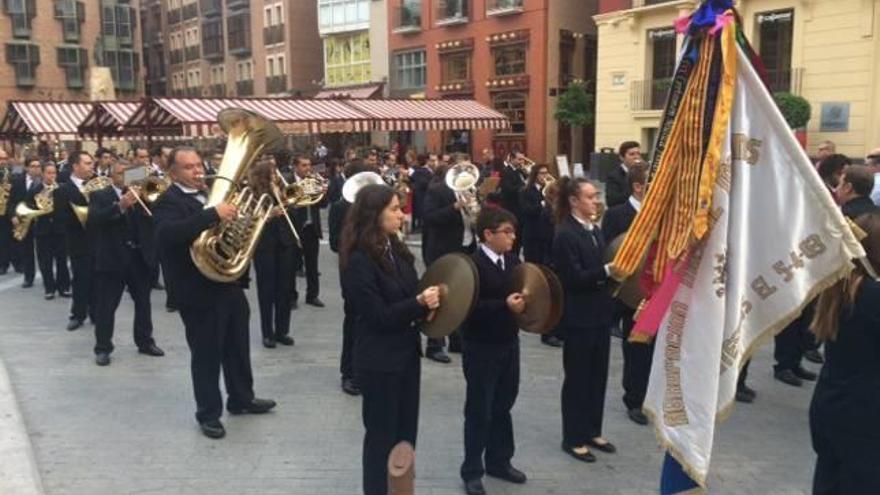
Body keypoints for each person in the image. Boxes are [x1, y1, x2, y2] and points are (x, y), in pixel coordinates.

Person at [153, 146, 276, 439]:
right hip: (195, 289)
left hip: (225, 283)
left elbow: (226, 230)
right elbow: (166, 235)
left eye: (198, 165)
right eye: (188, 167)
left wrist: (240, 222)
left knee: (238, 345)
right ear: (173, 172)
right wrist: (212, 214)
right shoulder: (167, 200)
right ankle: (208, 413)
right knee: (206, 354)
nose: (197, 171)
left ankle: (241, 397)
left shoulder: (212, 194)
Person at [339, 184, 440, 495]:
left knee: (405, 435)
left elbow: (411, 291)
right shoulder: (358, 259)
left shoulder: (394, 247)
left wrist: (433, 304)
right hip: (379, 361)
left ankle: (401, 488)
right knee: (381, 438)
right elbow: (377, 315)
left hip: (407, 356)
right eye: (395, 209)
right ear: (374, 215)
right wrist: (419, 303)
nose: (402, 214)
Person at [809, 211, 880, 494]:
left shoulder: (841, 286)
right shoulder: (872, 297)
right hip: (866, 415)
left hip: (832, 402)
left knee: (829, 482)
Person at [460, 207, 527, 495]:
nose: (512, 237)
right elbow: (467, 308)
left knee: (503, 405)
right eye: (506, 232)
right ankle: (472, 470)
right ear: (488, 235)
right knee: (479, 410)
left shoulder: (512, 261)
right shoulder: (471, 265)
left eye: (513, 232)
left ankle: (500, 460)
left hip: (509, 344)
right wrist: (504, 306)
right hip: (481, 347)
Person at [552, 177, 616, 463]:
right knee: (577, 378)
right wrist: (606, 271)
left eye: (596, 196)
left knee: (598, 375)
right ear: (574, 201)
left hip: (599, 314)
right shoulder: (565, 234)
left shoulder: (595, 230)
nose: (595, 201)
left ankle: (593, 429)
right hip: (579, 317)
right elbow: (572, 278)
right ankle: (573, 437)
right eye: (590, 197)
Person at [88, 161, 163, 366]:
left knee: (143, 304)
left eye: (128, 173)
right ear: (112, 176)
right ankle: (103, 348)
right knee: (107, 306)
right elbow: (94, 220)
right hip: (113, 259)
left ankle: (145, 342)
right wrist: (120, 206)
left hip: (138, 257)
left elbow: (158, 204)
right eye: (120, 174)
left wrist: (148, 189)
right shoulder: (100, 194)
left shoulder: (142, 192)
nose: (124, 177)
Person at [601, 163, 652, 424]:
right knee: (632, 344)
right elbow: (609, 251)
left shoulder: (661, 214)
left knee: (647, 346)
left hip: (651, 289)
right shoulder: (616, 215)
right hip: (625, 291)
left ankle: (645, 395)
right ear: (638, 187)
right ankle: (634, 398)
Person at [422, 163, 475, 363]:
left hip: (466, 246)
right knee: (438, 296)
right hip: (442, 250)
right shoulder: (438, 191)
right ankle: (434, 344)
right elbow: (429, 218)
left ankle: (457, 339)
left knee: (460, 295)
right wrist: (454, 208)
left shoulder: (469, 190)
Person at [329, 161, 370, 396]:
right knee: (353, 321)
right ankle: (349, 372)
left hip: (376, 270)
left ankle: (367, 368)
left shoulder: (376, 208)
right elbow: (335, 243)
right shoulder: (339, 207)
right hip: (352, 271)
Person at [249, 159, 296, 349]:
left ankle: (282, 331)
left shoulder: (281, 189)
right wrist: (270, 214)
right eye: (273, 172)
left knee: (285, 289)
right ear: (264, 175)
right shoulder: (253, 193)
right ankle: (267, 333)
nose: (277, 175)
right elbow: (249, 219)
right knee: (266, 290)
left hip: (285, 243)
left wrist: (289, 201)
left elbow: (294, 210)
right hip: (264, 245)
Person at [56, 151, 96, 331]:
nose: (91, 166)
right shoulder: (63, 190)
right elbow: (60, 218)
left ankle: (96, 313)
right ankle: (78, 314)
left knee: (98, 279)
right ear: (75, 166)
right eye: (87, 163)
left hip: (98, 241)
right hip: (78, 241)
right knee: (80, 279)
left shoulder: (97, 184)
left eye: (91, 163)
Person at [290, 156, 328, 308]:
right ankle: (291, 297)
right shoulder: (288, 182)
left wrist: (323, 192)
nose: (308, 168)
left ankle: (312, 295)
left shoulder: (314, 181)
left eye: (309, 165)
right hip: (294, 229)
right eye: (304, 165)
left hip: (311, 228)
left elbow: (323, 205)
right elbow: (285, 204)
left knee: (313, 265)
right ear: (295, 167)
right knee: (291, 265)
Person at [32, 163, 70, 300]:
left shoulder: (62, 189)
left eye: (54, 173)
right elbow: (30, 207)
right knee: (45, 261)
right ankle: (49, 288)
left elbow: (67, 208)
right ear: (43, 174)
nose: (51, 176)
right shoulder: (36, 190)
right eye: (48, 173)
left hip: (60, 230)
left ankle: (64, 287)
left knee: (62, 260)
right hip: (43, 230)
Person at [9, 157, 42, 288]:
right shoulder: (17, 182)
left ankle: (48, 278)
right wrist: (12, 216)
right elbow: (11, 202)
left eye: (38, 166)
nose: (36, 169)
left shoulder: (44, 182)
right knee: (27, 250)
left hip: (40, 221)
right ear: (27, 168)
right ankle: (29, 277)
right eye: (33, 166)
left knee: (42, 252)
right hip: (23, 221)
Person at [605, 141, 641, 208]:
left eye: (638, 154)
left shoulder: (643, 173)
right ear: (622, 157)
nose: (636, 157)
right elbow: (611, 201)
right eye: (632, 154)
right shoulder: (614, 176)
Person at [0, 149, 15, 275]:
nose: (3, 161)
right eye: (0, 159)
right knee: (2, 239)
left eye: (4, 159)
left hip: (9, 209)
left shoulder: (11, 173)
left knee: (13, 238)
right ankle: (3, 264)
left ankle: (17, 262)